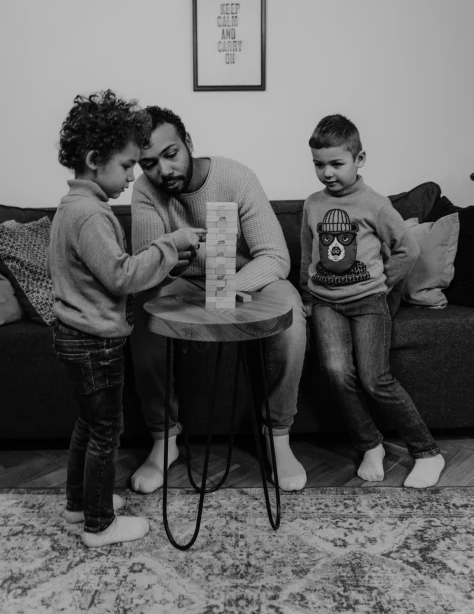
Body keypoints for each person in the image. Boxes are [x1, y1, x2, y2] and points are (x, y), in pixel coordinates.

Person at [48, 91, 205, 548]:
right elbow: (121, 275)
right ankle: (99, 524)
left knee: (87, 423)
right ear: (94, 160)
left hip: (75, 336)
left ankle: (79, 504)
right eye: (126, 165)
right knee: (105, 431)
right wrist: (170, 244)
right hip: (94, 341)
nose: (134, 175)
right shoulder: (89, 215)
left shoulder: (70, 207)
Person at [129, 106, 307, 494]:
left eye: (171, 153)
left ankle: (278, 438)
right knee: (143, 311)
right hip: (182, 283)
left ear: (188, 144)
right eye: (149, 163)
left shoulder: (236, 177)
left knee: (291, 313)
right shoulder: (145, 190)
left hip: (248, 279)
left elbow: (275, 256)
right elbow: (145, 267)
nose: (163, 170)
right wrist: (173, 263)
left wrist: (231, 287)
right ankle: (164, 441)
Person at [300, 114, 445, 487]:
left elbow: (407, 249)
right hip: (325, 304)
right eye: (319, 164)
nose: (327, 173)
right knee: (335, 371)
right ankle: (370, 444)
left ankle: (428, 452)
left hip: (368, 304)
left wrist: (382, 285)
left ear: (359, 158)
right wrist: (306, 295)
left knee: (375, 378)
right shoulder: (312, 204)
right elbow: (307, 252)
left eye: (337, 163)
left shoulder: (375, 204)